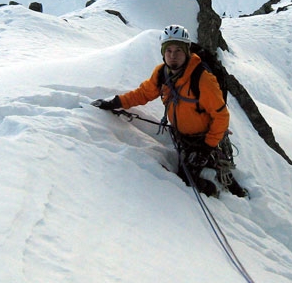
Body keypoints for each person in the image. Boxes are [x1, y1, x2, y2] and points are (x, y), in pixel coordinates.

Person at [93, 25, 245, 198]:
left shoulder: (203, 80)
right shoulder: (162, 74)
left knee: (187, 177)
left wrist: (207, 146)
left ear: (187, 52)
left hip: (204, 138)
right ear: (163, 53)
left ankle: (225, 191)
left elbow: (221, 116)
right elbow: (143, 94)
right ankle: (222, 178)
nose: (173, 56)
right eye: (169, 50)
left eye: (178, 50)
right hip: (183, 137)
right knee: (200, 165)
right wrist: (116, 102)